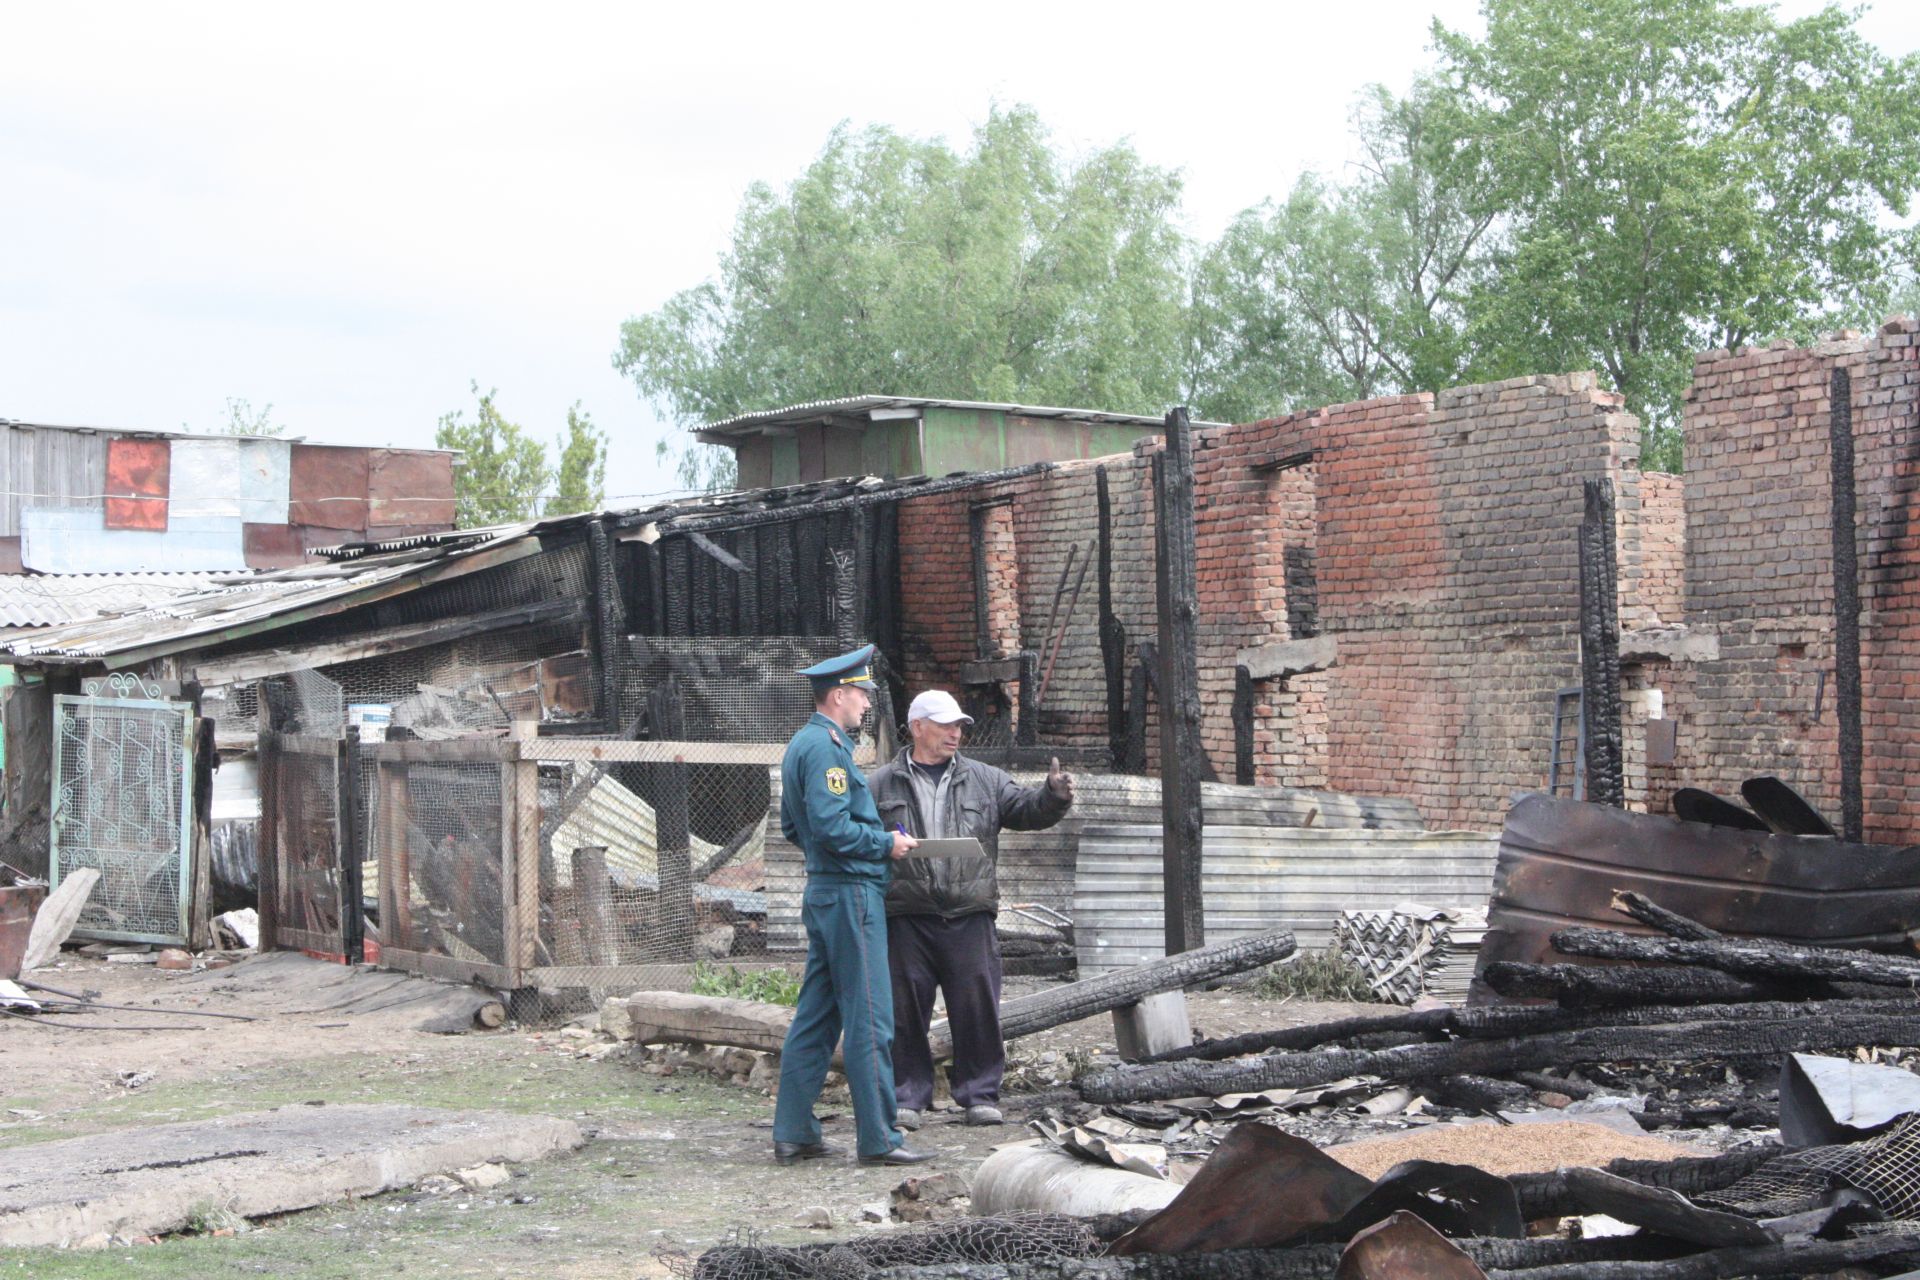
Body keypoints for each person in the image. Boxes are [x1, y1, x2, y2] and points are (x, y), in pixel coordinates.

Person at [869, 689, 1074, 1130]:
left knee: (976, 1008)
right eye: (945, 725)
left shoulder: (987, 779)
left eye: (959, 726)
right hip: (906, 914)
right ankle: (907, 1097)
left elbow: (1024, 811)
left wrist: (1053, 797)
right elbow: (864, 841)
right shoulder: (879, 784)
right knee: (905, 1012)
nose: (955, 733)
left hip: (969, 912)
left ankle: (979, 1095)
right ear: (917, 727)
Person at [770, 644, 936, 1168]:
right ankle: (880, 1138)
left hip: (826, 891)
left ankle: (795, 1130)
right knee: (870, 1019)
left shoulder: (804, 745)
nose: (867, 703)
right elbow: (830, 826)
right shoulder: (826, 748)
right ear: (838, 695)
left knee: (817, 1019)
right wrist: (884, 844)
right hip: (851, 897)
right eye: (862, 694)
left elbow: (796, 828)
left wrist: (848, 847)